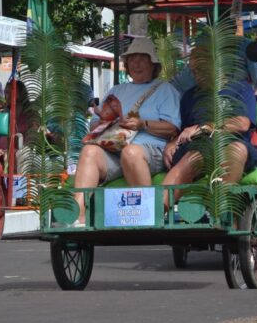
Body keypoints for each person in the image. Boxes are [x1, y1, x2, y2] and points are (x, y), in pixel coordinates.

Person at [71, 38, 181, 227]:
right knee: (89, 151)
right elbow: (96, 122)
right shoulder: (117, 90)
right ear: (127, 65)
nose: (136, 63)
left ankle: (147, 215)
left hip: (150, 150)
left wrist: (142, 124)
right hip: (114, 148)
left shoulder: (165, 89)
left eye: (142, 59)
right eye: (132, 59)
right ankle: (77, 215)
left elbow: (172, 128)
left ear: (153, 64)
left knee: (131, 152)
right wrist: (102, 124)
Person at [161, 47, 257, 215]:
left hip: (231, 142)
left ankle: (222, 214)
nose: (196, 75)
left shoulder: (241, 88)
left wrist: (204, 127)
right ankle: (156, 211)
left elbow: (242, 123)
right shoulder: (190, 96)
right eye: (193, 71)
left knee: (236, 150)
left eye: (200, 69)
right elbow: (182, 130)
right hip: (199, 147)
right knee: (190, 159)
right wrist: (171, 143)